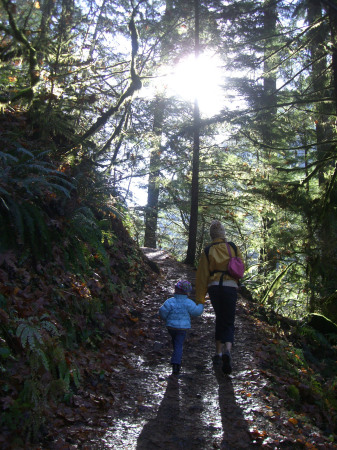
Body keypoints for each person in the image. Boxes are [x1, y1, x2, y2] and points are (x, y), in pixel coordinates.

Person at [195, 220, 244, 375]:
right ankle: (227, 351)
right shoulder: (233, 247)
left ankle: (218, 354)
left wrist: (200, 300)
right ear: (223, 233)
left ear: (211, 235)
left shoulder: (208, 250)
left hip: (214, 287)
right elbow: (241, 265)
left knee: (219, 318)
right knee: (229, 320)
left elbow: (202, 276)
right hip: (230, 287)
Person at [159, 280, 204, 375]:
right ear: (187, 292)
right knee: (179, 344)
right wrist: (201, 304)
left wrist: (166, 319)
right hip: (183, 328)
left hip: (171, 327)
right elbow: (196, 312)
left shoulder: (170, 301)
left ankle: (175, 358)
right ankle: (176, 364)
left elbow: (162, 311)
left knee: (175, 342)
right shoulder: (189, 303)